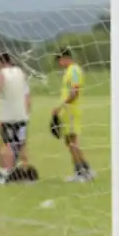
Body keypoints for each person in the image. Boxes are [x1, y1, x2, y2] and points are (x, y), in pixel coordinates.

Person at [52, 48, 93, 182]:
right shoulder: (69, 71)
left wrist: (60, 107)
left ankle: (80, 172)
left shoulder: (74, 70)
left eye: (60, 60)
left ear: (65, 58)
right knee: (69, 142)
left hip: (71, 111)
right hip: (67, 111)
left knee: (72, 142)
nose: (60, 63)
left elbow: (75, 92)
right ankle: (86, 169)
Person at [0, 51, 30, 168]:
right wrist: (26, 112)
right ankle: (25, 172)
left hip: (7, 117)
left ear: (0, 63)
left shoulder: (0, 75)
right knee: (22, 145)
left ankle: (9, 172)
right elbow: (27, 96)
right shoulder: (21, 73)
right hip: (21, 116)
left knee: (7, 145)